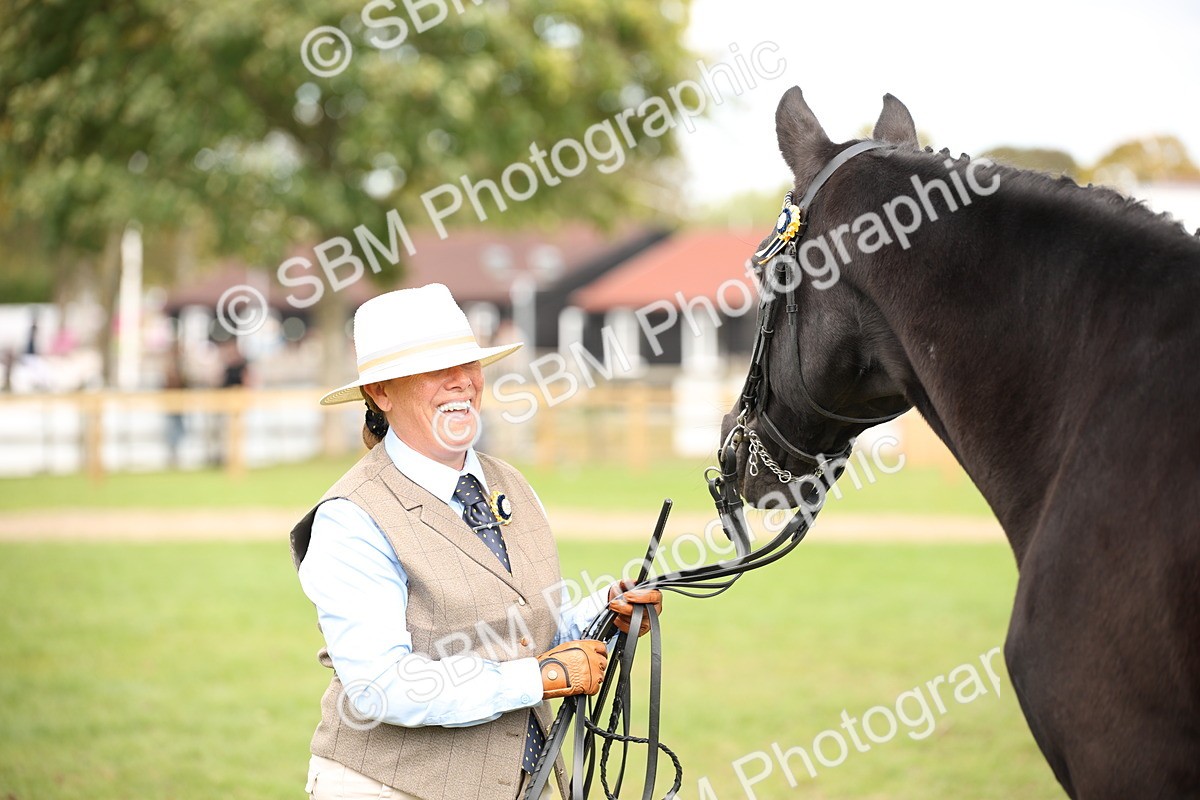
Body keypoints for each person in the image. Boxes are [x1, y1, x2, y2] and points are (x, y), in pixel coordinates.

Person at [289, 284, 662, 800]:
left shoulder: (513, 484)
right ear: (380, 392)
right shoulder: (351, 518)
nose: (462, 381)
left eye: (467, 363)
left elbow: (528, 631)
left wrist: (607, 614)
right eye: (435, 368)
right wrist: (540, 678)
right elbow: (383, 687)